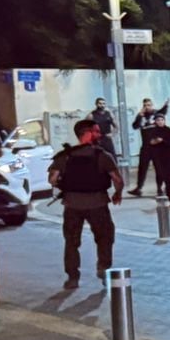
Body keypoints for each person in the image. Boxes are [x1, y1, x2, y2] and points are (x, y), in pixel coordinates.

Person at [48, 119, 123, 289]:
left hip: (72, 205)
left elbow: (52, 179)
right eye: (96, 131)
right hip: (97, 204)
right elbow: (118, 179)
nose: (100, 134)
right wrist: (118, 193)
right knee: (105, 238)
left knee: (71, 242)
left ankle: (72, 277)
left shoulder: (65, 155)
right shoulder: (102, 155)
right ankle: (103, 268)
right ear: (86, 133)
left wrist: (65, 185)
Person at [129, 98, 169, 195]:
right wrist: (139, 115)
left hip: (156, 147)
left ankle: (159, 188)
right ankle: (138, 188)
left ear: (152, 105)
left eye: (149, 105)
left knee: (159, 168)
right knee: (142, 168)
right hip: (145, 146)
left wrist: (166, 105)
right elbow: (134, 126)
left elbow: (162, 112)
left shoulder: (156, 114)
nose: (147, 107)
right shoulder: (141, 116)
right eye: (145, 105)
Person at [139, 111, 170, 203]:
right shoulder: (152, 132)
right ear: (155, 121)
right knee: (165, 177)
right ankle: (169, 196)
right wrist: (156, 142)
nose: (160, 121)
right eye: (158, 120)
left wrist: (162, 141)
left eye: (162, 120)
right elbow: (150, 143)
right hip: (160, 158)